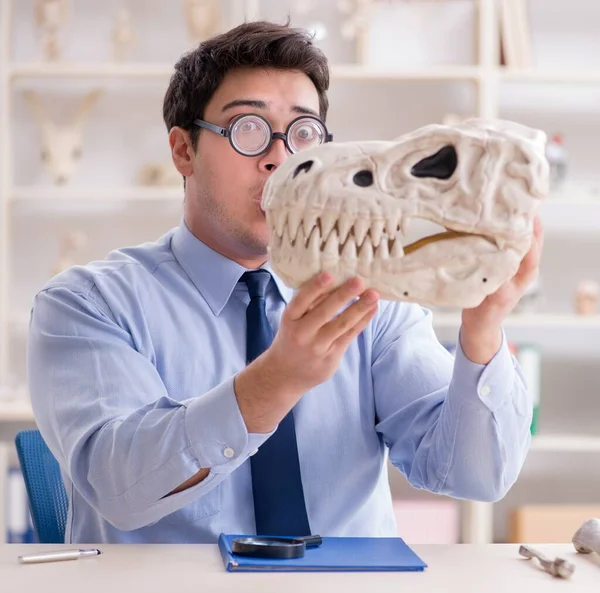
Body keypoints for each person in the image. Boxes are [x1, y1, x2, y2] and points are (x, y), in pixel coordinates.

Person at [27, 20, 543, 544]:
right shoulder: (87, 305)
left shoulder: (371, 296)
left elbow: (475, 476)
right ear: (184, 150)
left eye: (303, 133)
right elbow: (118, 490)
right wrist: (274, 383)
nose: (280, 157)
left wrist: (483, 326)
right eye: (247, 128)